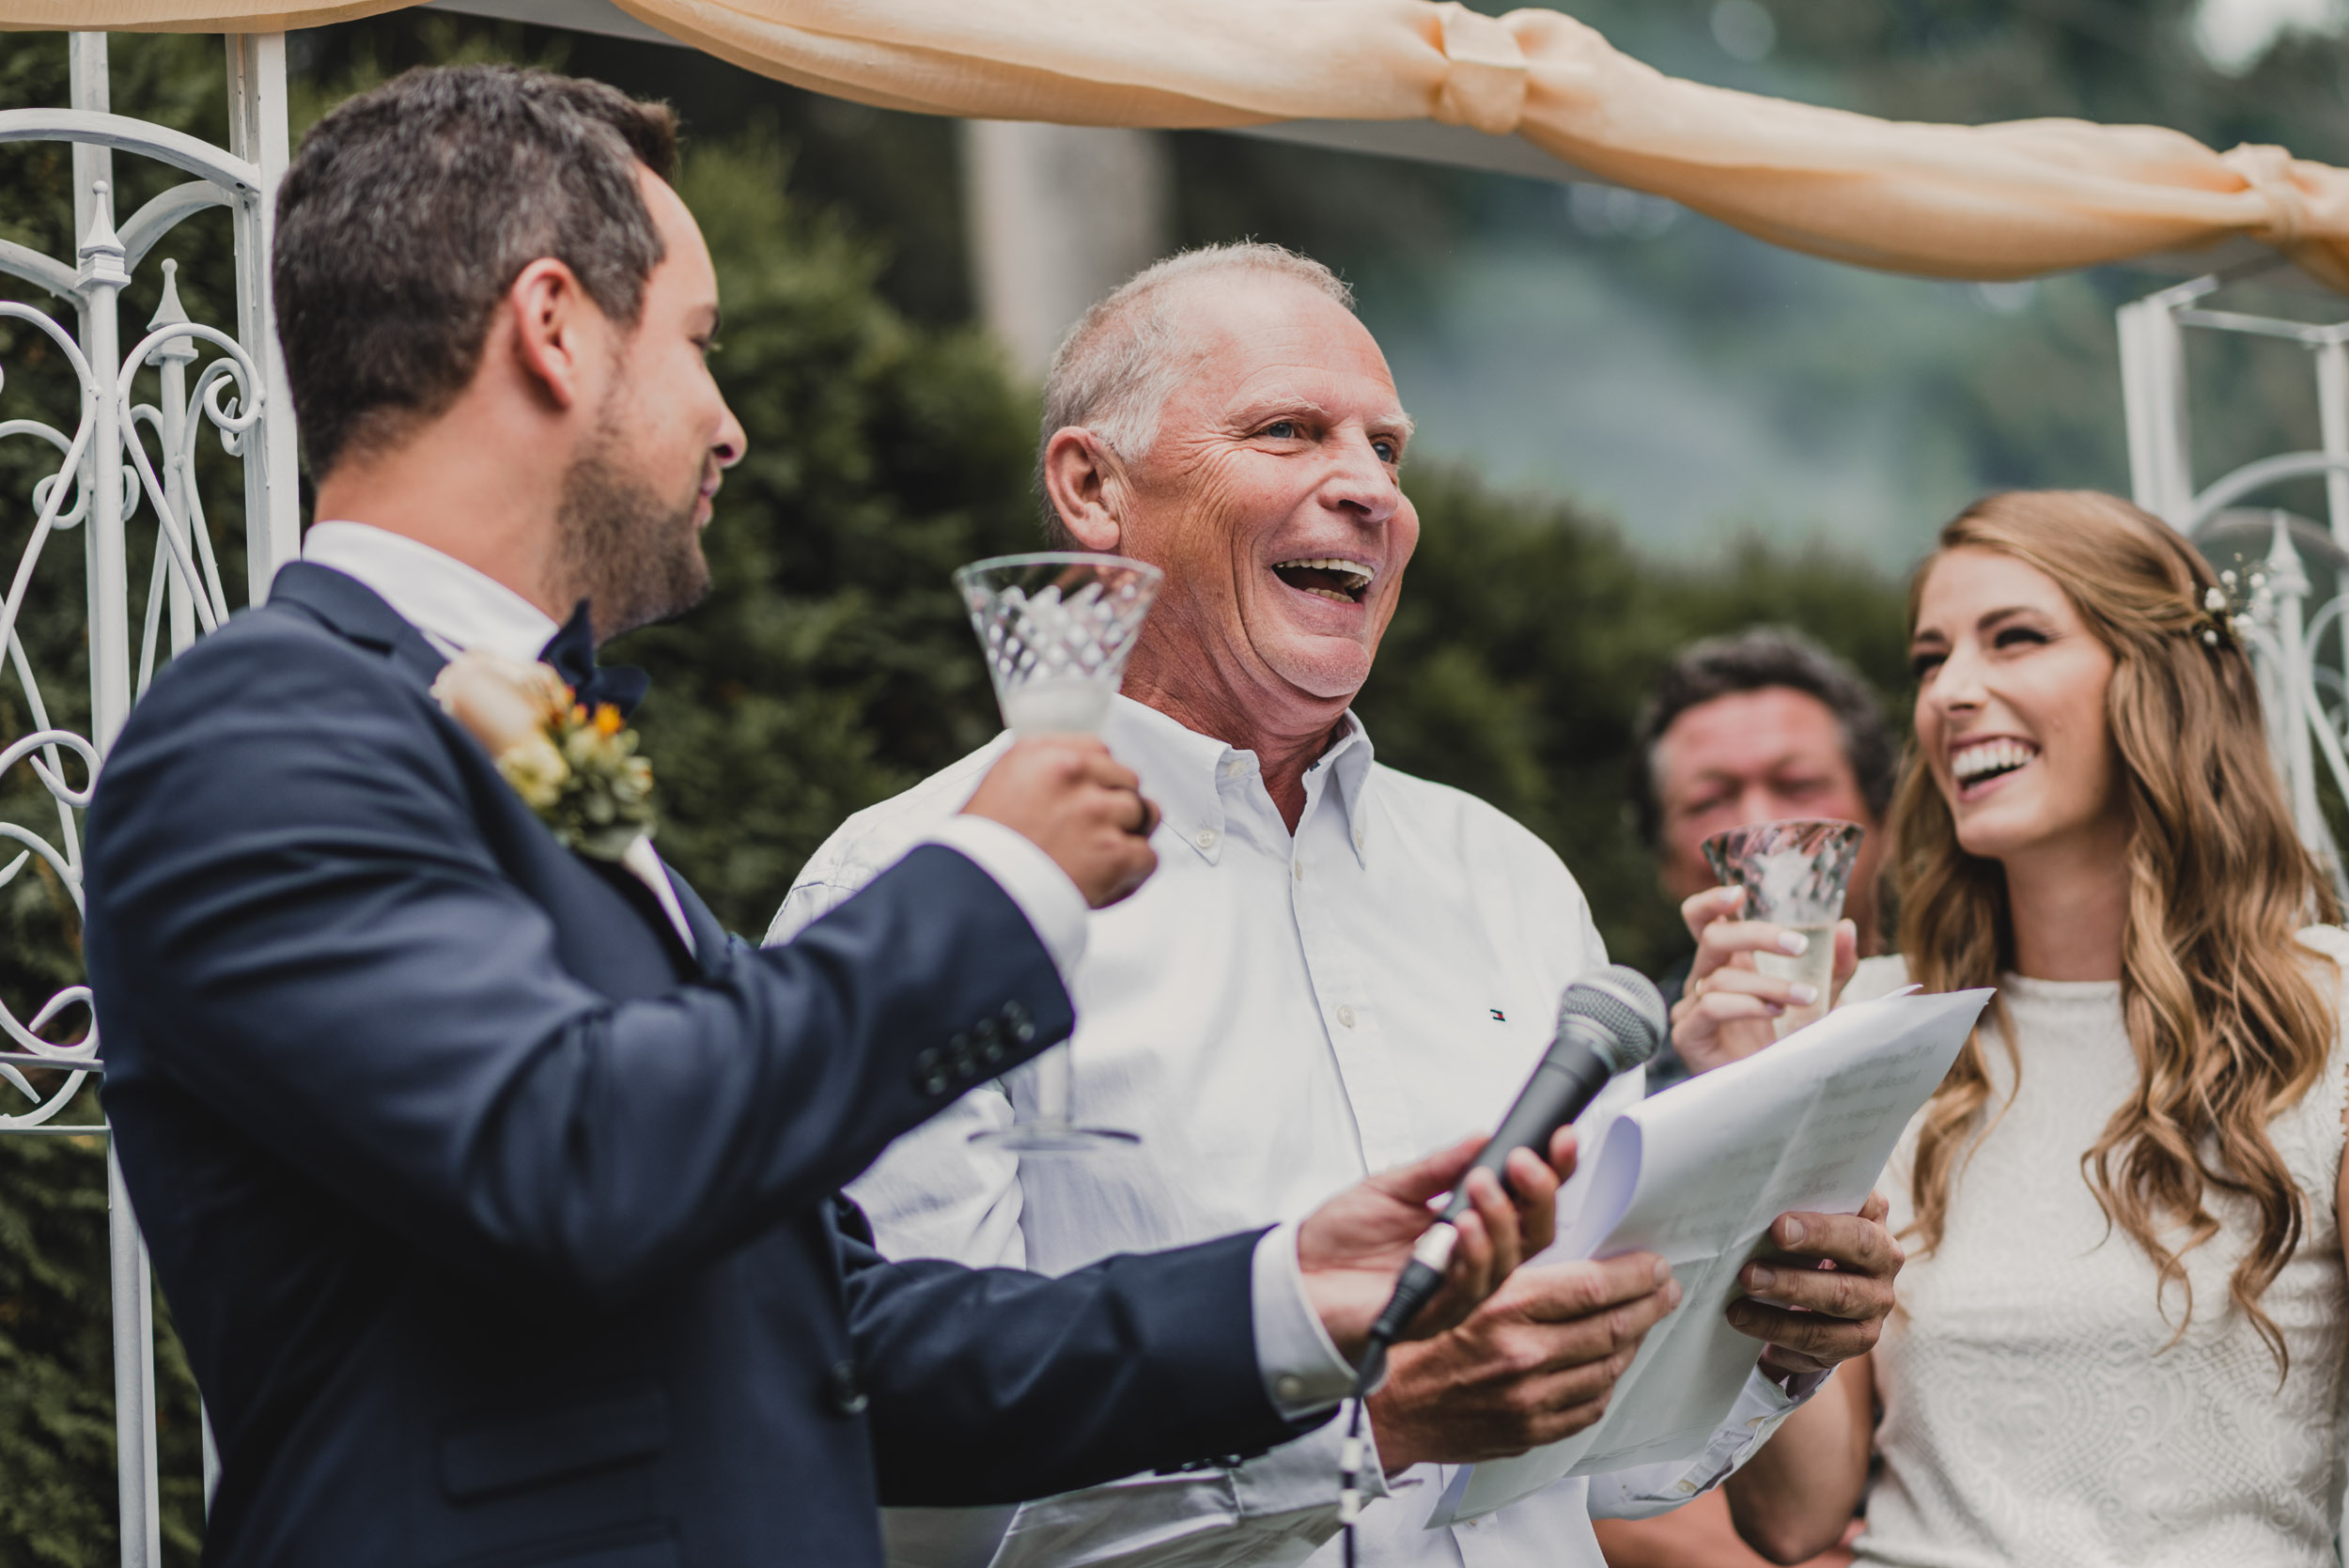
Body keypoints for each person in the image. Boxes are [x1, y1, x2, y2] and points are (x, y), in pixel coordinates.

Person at [81, 70, 1567, 1568]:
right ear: (550, 327)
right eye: (696, 348)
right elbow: (569, 1159)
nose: (728, 428)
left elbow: (839, 1333)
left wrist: (1287, 1298)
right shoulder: (261, 733)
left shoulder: (531, 749)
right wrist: (993, 876)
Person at [770, 243, 1902, 1568]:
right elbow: (915, 1473)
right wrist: (1375, 1430)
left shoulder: (1509, 877)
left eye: (1389, 449)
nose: (1368, 487)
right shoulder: (914, 882)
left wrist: (1763, 1332)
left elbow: (1609, 1472)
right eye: (1289, 431)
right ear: (1091, 487)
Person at [1693, 490, 2349, 1567]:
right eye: (1928, 659)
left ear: (2162, 680)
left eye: (2016, 638)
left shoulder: (2322, 1025)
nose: (1950, 691)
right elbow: (1793, 1514)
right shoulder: (1867, 1027)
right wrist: (1754, 1116)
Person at [1626, 628, 1894, 1094]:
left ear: (1885, 821)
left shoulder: (1979, 1019)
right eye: (1710, 800)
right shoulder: (1626, 1092)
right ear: (1664, 860)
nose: (1760, 832)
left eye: (1798, 783)